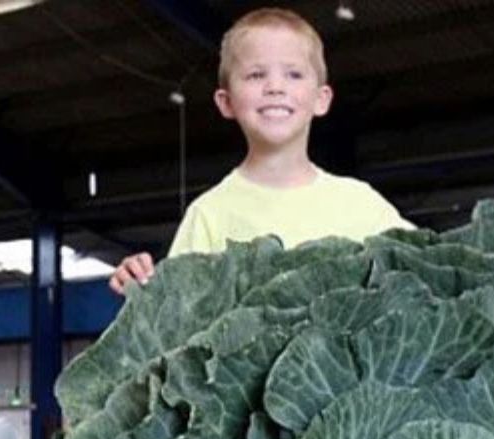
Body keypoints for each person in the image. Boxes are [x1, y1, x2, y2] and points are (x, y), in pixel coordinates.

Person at [109, 7, 410, 295]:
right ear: (226, 102)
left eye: (294, 74)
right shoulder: (209, 214)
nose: (275, 86)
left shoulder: (363, 206)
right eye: (256, 75)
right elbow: (175, 312)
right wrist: (140, 286)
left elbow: (424, 271)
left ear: (322, 99)